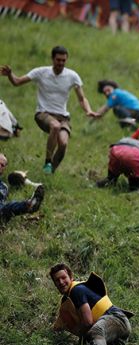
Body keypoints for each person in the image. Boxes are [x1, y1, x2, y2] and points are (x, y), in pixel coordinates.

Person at [1, 45, 96, 174]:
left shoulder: (72, 76)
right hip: (43, 113)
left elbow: (81, 98)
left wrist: (88, 110)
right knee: (55, 127)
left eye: (63, 60)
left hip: (63, 117)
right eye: (58, 60)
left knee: (63, 144)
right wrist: (10, 74)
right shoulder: (41, 72)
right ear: (52, 59)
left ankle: (50, 173)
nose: (61, 63)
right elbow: (17, 82)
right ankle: (47, 162)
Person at [50, 263, 132, 345]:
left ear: (71, 277)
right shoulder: (67, 299)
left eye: (63, 278)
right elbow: (59, 324)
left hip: (116, 319)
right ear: (55, 284)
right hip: (112, 329)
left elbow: (88, 322)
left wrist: (80, 333)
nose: (61, 282)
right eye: (57, 280)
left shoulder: (76, 290)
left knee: (94, 332)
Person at [0, 153, 44, 223]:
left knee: (7, 208)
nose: (0, 166)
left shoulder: (4, 187)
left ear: (4, 169)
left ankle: (29, 205)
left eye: (2, 165)